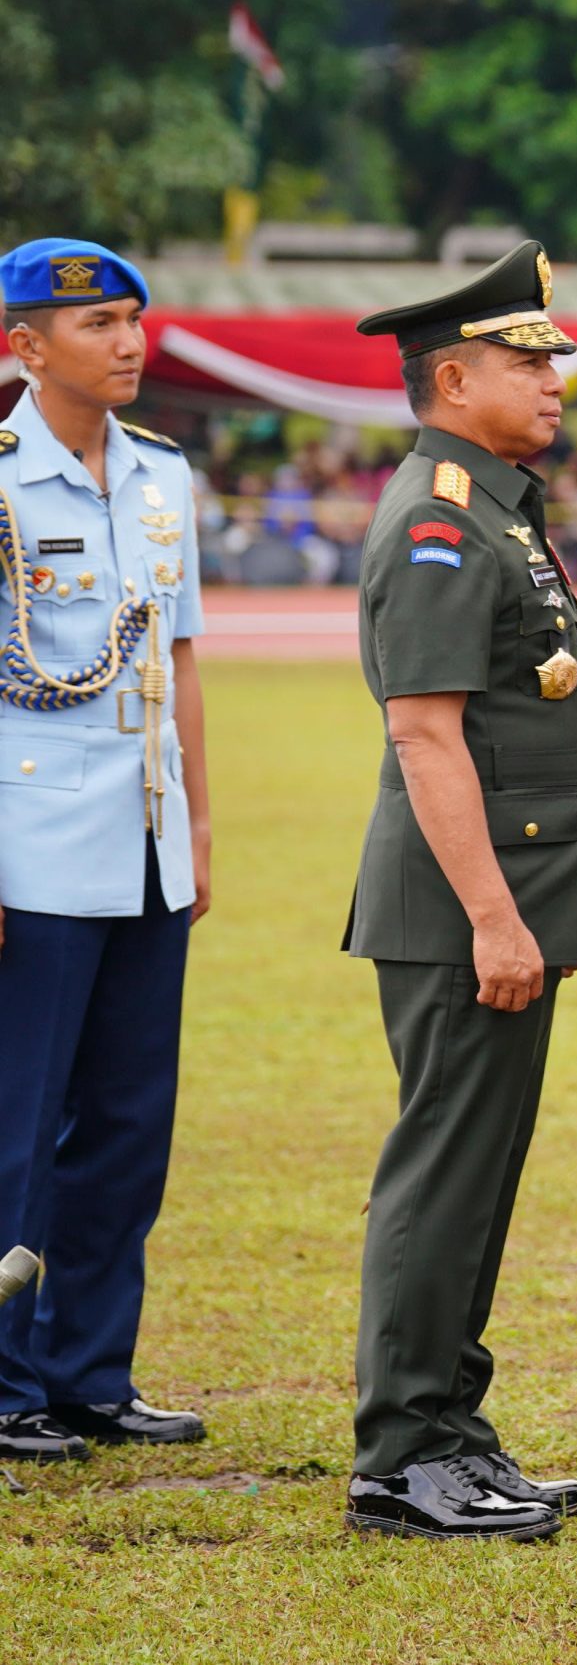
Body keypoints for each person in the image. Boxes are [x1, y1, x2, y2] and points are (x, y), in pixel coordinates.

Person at [342, 240, 577, 1543]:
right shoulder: (440, 520)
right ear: (453, 379)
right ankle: (401, 1455)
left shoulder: (492, 504)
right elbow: (425, 733)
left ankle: (452, 1429)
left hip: (509, 894)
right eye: (527, 360)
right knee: (442, 1173)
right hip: (471, 906)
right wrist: (495, 917)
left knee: (479, 1174)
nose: (554, 379)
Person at [0, 239, 211, 1468]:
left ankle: (89, 1371)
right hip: (29, 847)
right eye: (97, 324)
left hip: (146, 843)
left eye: (134, 318)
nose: (128, 342)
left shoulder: (160, 474)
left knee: (129, 1124)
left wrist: (200, 832)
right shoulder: (3, 481)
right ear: (26, 345)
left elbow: (178, 661)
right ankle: (5, 1379)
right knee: (18, 1126)